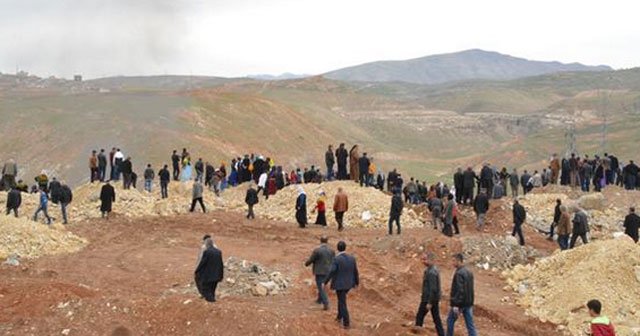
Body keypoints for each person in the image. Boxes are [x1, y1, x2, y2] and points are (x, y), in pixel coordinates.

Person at [323, 241, 359, 330]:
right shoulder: (352, 258)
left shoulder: (336, 259)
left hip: (340, 284)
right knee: (341, 299)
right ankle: (339, 316)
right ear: (345, 247)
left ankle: (346, 322)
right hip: (349, 283)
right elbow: (355, 271)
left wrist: (325, 281)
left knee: (342, 302)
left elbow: (332, 271)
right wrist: (357, 282)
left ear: (337, 248)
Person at [413, 252, 445, 336]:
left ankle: (417, 332)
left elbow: (433, 288)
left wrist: (430, 302)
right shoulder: (431, 270)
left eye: (425, 259)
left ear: (431, 260)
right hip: (432, 298)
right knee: (436, 318)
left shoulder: (431, 272)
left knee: (420, 316)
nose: (422, 261)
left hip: (428, 299)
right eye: (422, 259)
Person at [447, 253, 476, 336]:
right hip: (468, 303)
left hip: (460, 304)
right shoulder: (469, 271)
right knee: (470, 325)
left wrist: (456, 304)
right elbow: (470, 289)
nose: (452, 263)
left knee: (450, 320)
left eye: (453, 261)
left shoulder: (459, 273)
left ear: (459, 261)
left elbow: (460, 290)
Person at [305, 236, 335, 311]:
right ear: (327, 241)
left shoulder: (317, 250)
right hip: (329, 271)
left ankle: (325, 303)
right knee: (323, 285)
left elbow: (311, 259)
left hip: (320, 271)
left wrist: (306, 264)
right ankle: (319, 299)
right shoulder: (331, 250)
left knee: (320, 287)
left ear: (320, 241)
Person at [194, 237, 224, 302]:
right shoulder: (218, 252)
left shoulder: (207, 252)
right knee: (212, 290)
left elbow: (202, 263)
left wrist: (197, 270)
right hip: (216, 275)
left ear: (207, 245)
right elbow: (221, 264)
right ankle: (212, 303)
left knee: (205, 290)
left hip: (208, 276)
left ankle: (212, 303)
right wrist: (221, 275)